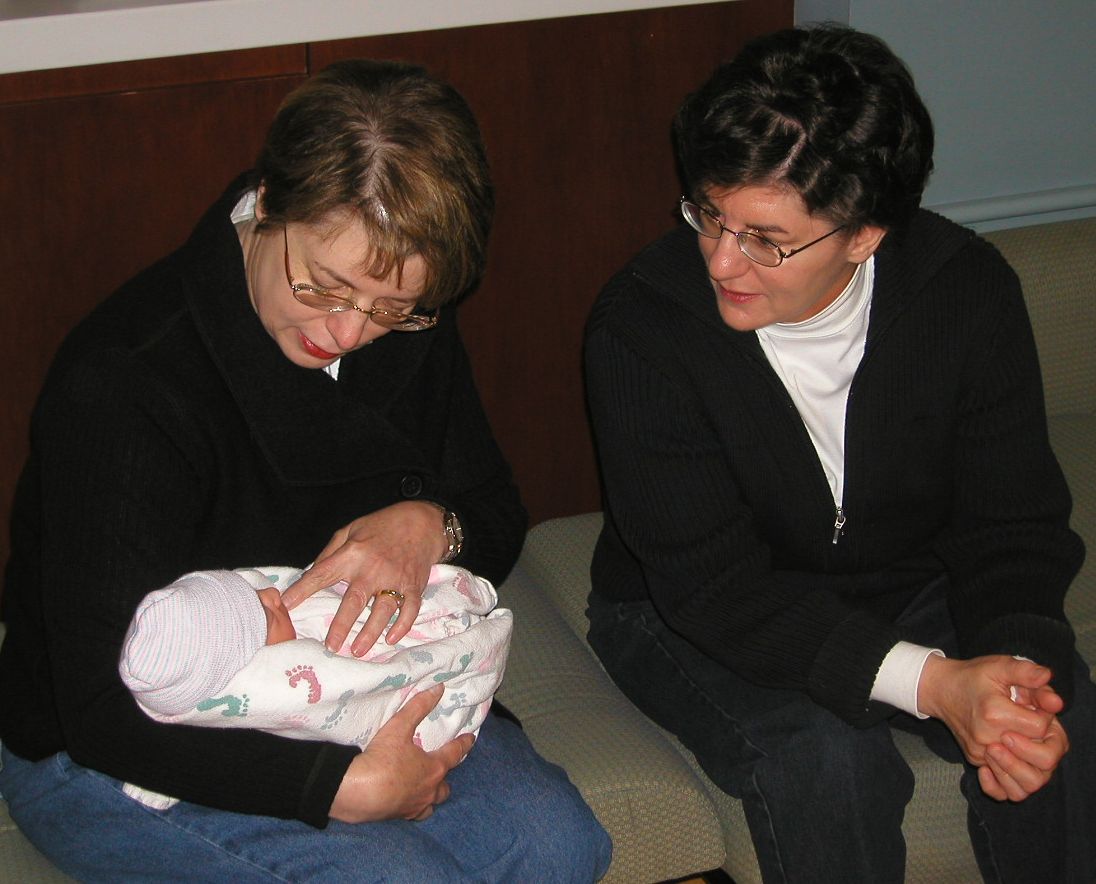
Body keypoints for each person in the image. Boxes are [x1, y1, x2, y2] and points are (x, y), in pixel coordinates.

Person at [0, 58, 611, 882]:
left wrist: (432, 526)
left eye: (392, 309)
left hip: (345, 688)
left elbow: (496, 516)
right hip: (119, 743)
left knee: (560, 846)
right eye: (323, 287)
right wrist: (334, 787)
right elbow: (99, 708)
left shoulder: (401, 314)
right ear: (270, 202)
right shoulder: (127, 383)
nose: (351, 332)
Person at [583, 24, 1094, 884]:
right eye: (708, 213)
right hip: (684, 609)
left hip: (907, 580)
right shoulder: (643, 328)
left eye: (765, 238)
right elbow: (715, 590)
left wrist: (1009, 669)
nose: (719, 259)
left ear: (865, 234)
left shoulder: (965, 292)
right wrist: (932, 685)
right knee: (828, 762)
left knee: (1047, 718)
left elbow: (1013, 525)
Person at [118, 563, 513, 810]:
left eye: (257, 592)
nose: (275, 596)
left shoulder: (278, 616)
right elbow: (361, 687)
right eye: (267, 613)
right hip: (392, 741)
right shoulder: (266, 689)